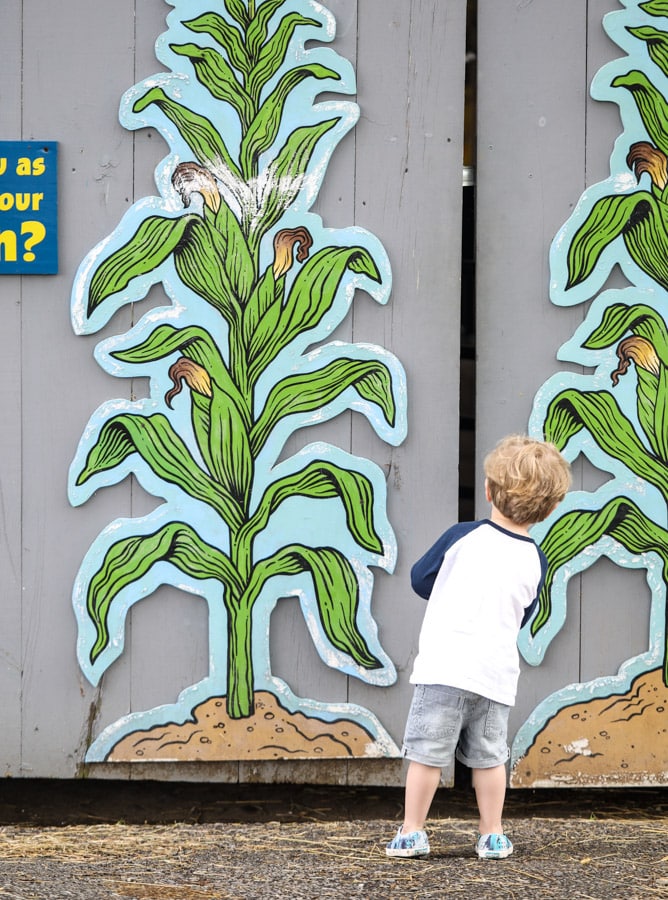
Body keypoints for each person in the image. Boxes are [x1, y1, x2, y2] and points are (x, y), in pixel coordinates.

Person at [386, 434, 571, 860]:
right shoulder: (534, 558)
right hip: (495, 677)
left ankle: (413, 831)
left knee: (427, 756)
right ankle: (492, 834)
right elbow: (523, 614)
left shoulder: (461, 537)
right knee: (490, 759)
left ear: (488, 490)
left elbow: (419, 579)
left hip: (445, 672)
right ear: (549, 508)